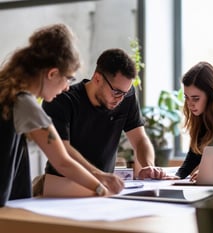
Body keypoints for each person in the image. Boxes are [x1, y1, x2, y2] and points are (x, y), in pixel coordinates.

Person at [0, 23, 123, 207]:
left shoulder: (6, 91)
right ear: (52, 73)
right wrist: (100, 188)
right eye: (68, 78)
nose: (67, 87)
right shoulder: (24, 103)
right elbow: (62, 161)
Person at [40, 48, 166, 196]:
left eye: (125, 93)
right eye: (116, 92)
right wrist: (100, 176)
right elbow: (63, 152)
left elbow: (139, 139)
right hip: (63, 186)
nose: (120, 99)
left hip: (104, 187)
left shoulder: (125, 96)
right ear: (97, 78)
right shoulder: (62, 100)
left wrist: (148, 166)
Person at [174, 61, 213, 180]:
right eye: (187, 97)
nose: (190, 104)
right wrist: (178, 176)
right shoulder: (202, 115)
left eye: (196, 98)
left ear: (211, 95)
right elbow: (195, 152)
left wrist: (209, 169)